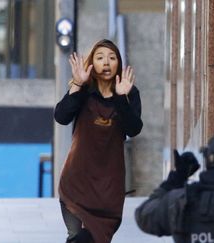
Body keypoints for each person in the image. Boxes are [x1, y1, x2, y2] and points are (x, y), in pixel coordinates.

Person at [54, 39, 143, 243]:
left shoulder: (129, 92)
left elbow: (134, 129)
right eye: (100, 57)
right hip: (76, 181)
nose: (106, 62)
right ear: (92, 63)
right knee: (77, 237)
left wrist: (121, 98)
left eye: (112, 58)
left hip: (109, 187)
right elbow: (61, 117)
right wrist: (77, 84)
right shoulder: (83, 91)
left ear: (118, 64)